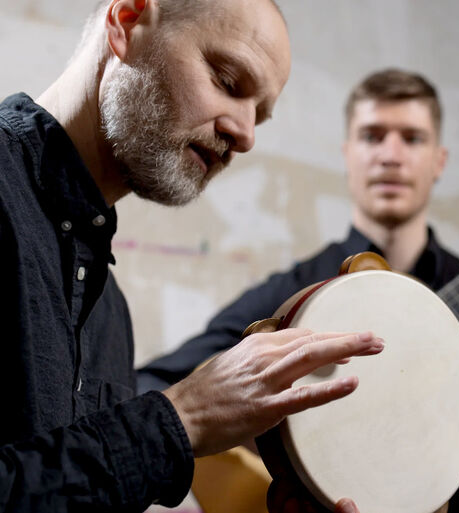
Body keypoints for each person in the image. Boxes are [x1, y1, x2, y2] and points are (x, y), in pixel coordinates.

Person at [139, 68, 459, 512]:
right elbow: (156, 384)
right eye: (373, 136)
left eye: (412, 138)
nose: (391, 154)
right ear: (348, 154)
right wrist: (256, 444)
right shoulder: (299, 290)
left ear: (439, 160)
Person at [0, 1, 381, 512]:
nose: (245, 135)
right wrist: (184, 419)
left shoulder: (111, 313)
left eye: (260, 117)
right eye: (227, 80)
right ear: (127, 23)